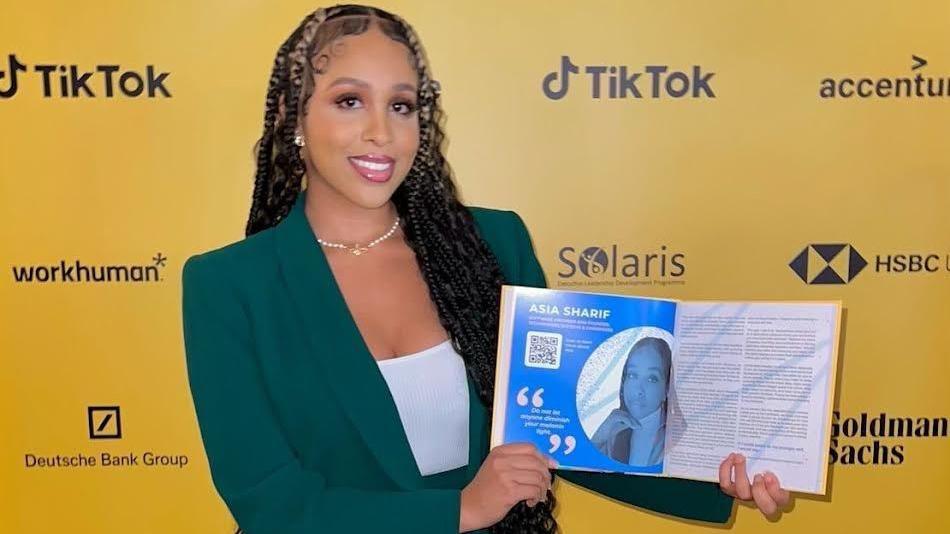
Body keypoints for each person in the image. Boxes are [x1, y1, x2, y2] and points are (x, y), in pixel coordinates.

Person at [180, 5, 790, 533]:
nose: (381, 132)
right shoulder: (227, 287)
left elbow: (562, 431)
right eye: (348, 101)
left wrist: (716, 471)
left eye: (402, 105)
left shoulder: (493, 242)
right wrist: (460, 511)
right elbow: (272, 506)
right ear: (293, 116)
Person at [591, 337, 671, 467]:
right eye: (632, 375)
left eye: (651, 378)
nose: (638, 390)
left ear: (666, 390)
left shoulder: (675, 437)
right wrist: (599, 439)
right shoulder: (614, 432)